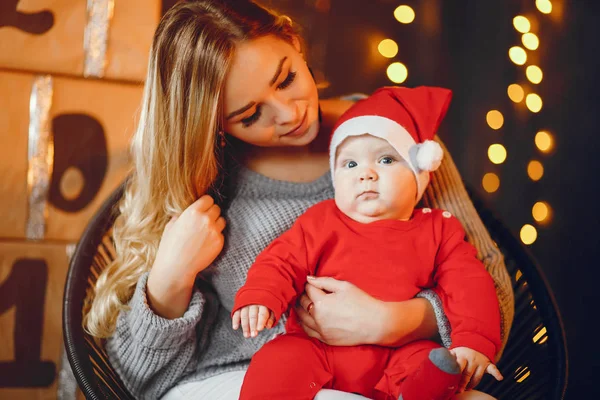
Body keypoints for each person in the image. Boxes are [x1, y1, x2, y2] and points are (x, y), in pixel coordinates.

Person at [82, 1, 512, 399]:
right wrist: (171, 277)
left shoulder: (391, 131)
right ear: (211, 124)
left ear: (294, 42)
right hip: (237, 381)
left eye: (286, 78)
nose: (289, 114)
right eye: (251, 115)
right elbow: (132, 379)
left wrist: (393, 322)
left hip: (391, 373)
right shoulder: (201, 180)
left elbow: (490, 288)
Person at [232, 86, 503, 400]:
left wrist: (474, 342)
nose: (367, 175)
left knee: (426, 363)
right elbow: (281, 260)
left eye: (386, 160)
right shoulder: (320, 220)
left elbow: (470, 285)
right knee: (278, 359)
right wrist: (261, 296)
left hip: (398, 352)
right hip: (318, 347)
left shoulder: (438, 230)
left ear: (420, 174)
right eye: (350, 165)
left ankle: (418, 392)